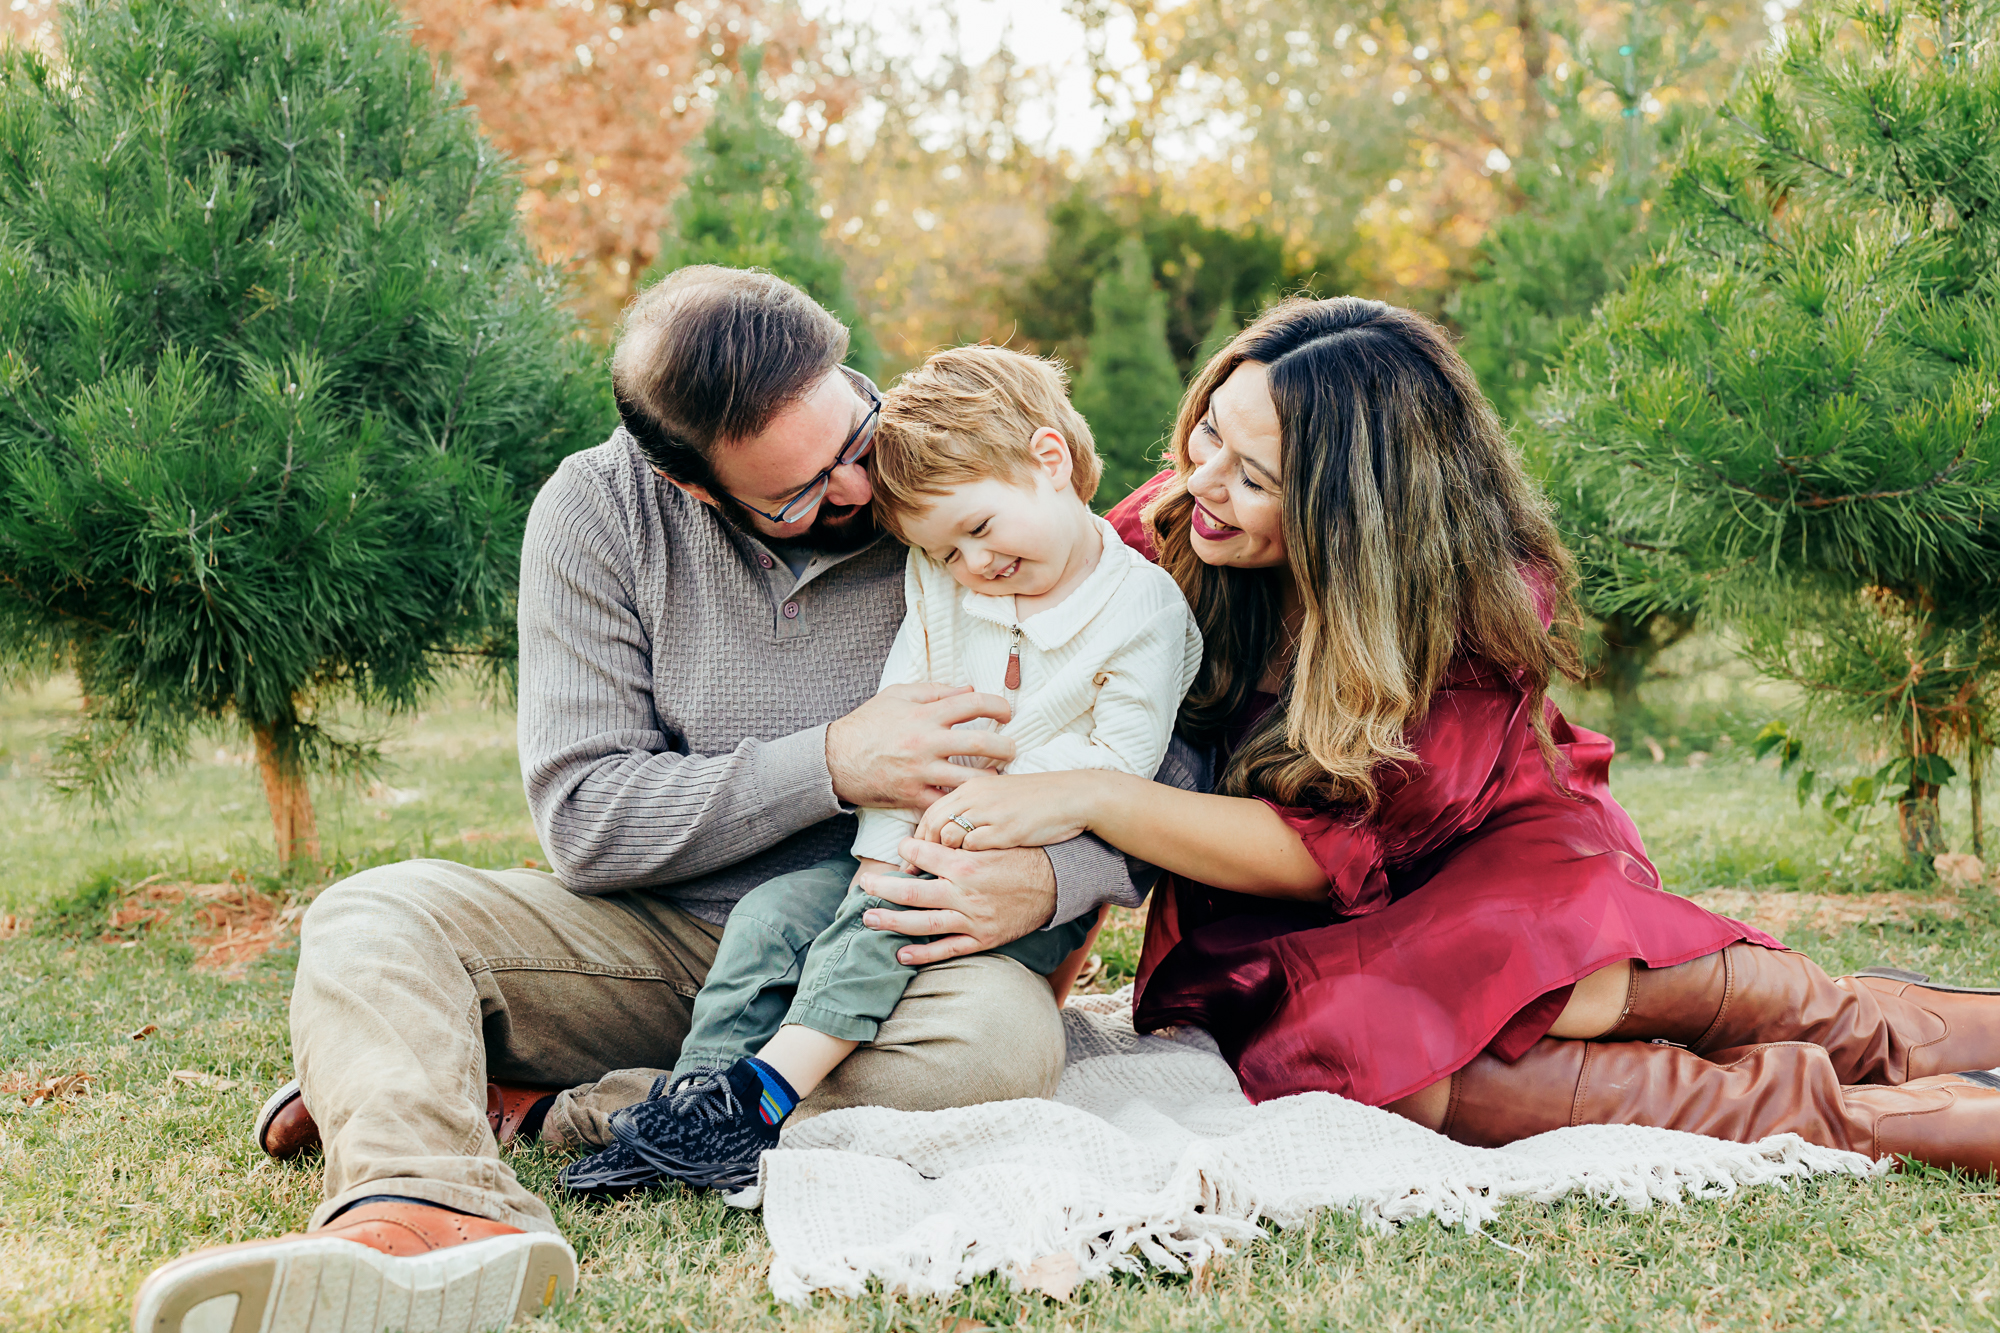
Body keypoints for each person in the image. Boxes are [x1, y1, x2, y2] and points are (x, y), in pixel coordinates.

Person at [131, 268, 1156, 1333]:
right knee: (373, 915)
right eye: (797, 495)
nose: (857, 493)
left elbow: (1158, 763)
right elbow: (583, 816)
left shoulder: (951, 481)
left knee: (1001, 1048)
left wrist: (1044, 878)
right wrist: (832, 764)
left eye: (852, 439)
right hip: (660, 934)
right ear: (692, 488)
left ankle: (540, 1113)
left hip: (889, 966)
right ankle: (418, 1205)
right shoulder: (598, 512)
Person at [910, 295, 2000, 1173]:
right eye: (1207, 432)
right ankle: (1885, 1112)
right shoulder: (1166, 535)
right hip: (1281, 919)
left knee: (1551, 974)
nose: (1201, 481)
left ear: (1357, 515)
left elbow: (1335, 853)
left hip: (1474, 856)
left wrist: (1096, 798)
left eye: (1253, 477)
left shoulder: (1464, 613)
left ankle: (1885, 1035)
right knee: (1382, 1059)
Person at [573, 345, 1202, 1190]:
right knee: (771, 916)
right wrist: (883, 846)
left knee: (887, 925)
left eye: (977, 530)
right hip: (905, 844)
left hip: (1014, 874)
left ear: (1049, 461)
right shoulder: (945, 583)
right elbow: (904, 715)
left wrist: (974, 828)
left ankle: (766, 1093)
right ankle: (693, 1103)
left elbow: (1119, 767)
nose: (973, 567)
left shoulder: (1142, 610)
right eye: (945, 553)